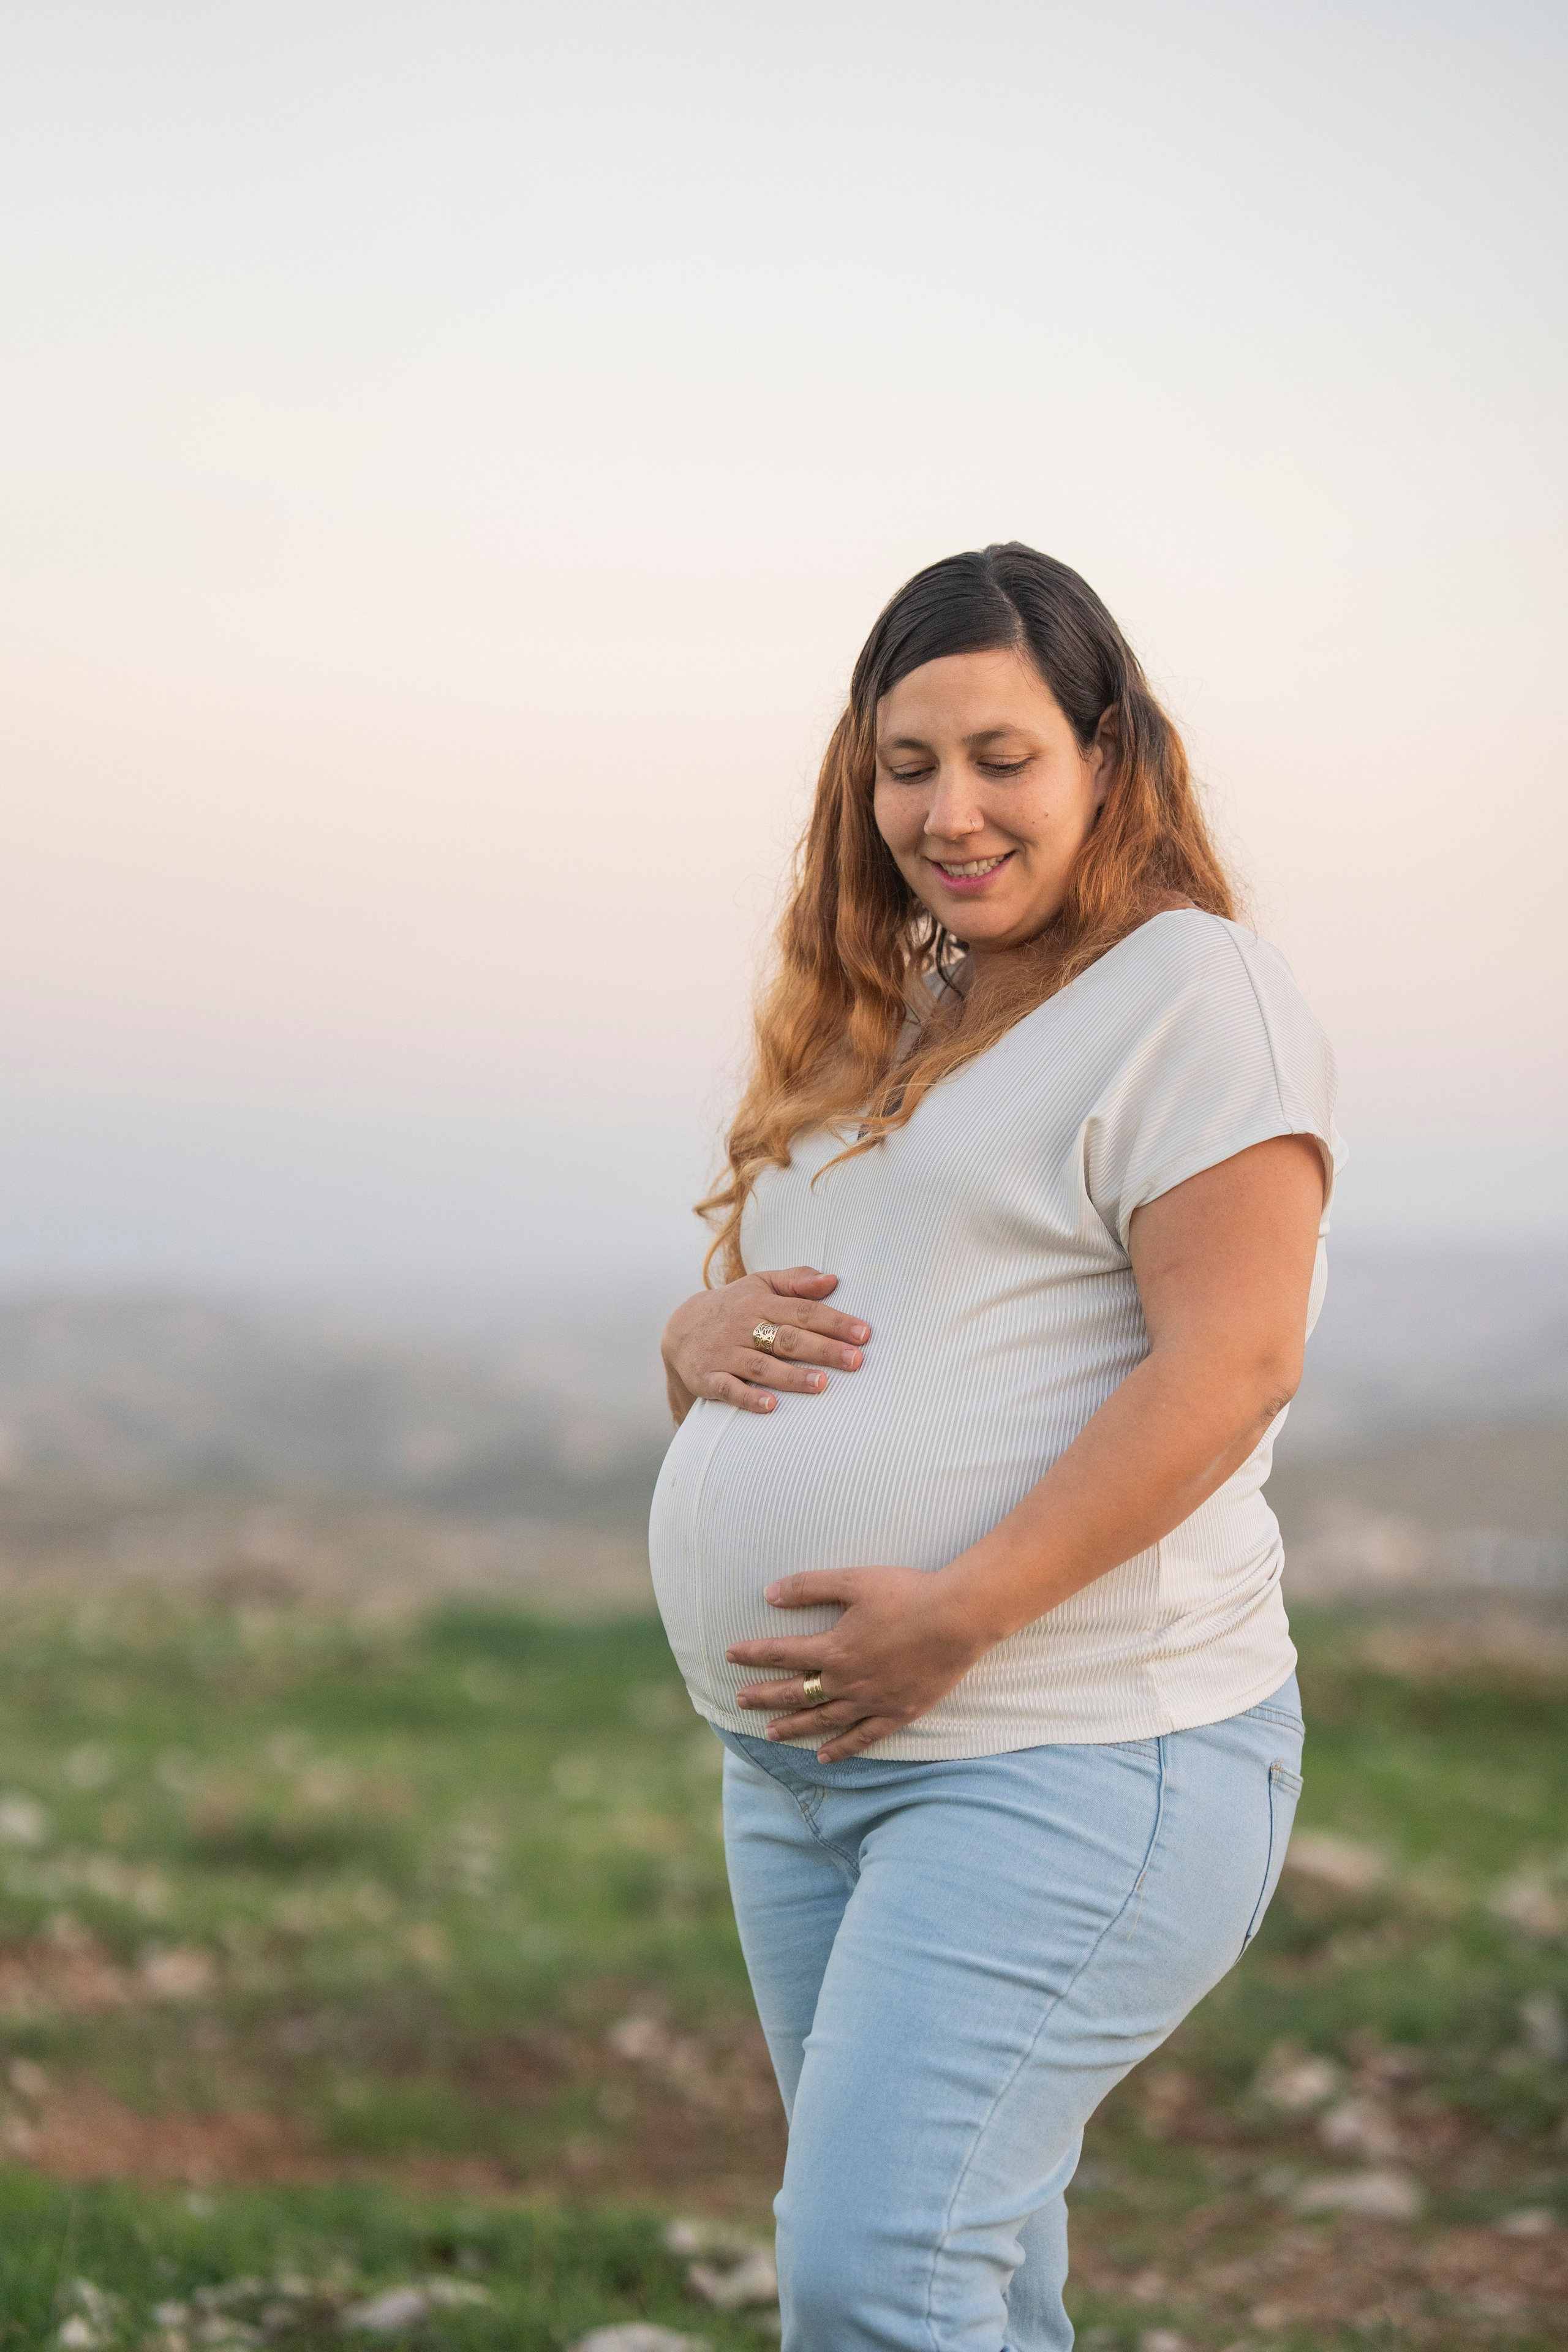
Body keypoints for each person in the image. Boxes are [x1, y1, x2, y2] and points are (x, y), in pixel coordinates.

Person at [650, 543, 1342, 2352]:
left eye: (1002, 757)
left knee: (876, 2271)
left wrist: (959, 1613)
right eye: (907, 764)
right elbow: (837, 1338)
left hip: (1067, 1751)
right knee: (969, 2269)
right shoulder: (902, 1013)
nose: (948, 810)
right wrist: (688, 1346)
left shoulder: (1197, 991)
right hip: (808, 1772)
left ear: (1108, 755)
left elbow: (1236, 1360)